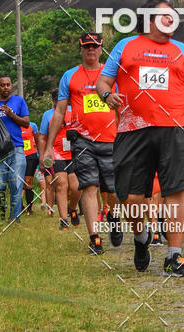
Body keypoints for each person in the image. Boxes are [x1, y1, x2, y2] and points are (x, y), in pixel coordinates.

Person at [96, 0, 184, 277]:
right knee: (132, 198)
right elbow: (103, 82)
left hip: (175, 129)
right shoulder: (125, 46)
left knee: (175, 192)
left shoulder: (182, 51)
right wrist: (108, 95)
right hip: (133, 130)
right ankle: (141, 236)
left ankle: (174, 256)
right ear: (150, 19)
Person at [42, 30, 122, 256]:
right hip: (82, 140)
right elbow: (59, 112)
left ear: (101, 48)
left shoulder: (112, 75)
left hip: (111, 139)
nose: (91, 50)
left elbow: (125, 105)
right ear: (81, 49)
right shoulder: (70, 76)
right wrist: (48, 145)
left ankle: (114, 216)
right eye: (86, 46)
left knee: (113, 188)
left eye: (95, 46)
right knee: (89, 186)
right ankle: (94, 238)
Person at [0, 75, 30, 221]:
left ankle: (14, 219)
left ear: (11, 86)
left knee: (16, 185)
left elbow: (26, 123)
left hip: (17, 148)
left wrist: (11, 114)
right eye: (2, 85)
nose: (5, 87)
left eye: (8, 85)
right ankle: (0, 216)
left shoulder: (19, 101)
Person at [38, 91, 78, 230]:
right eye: (56, 100)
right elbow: (42, 137)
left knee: (76, 187)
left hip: (73, 152)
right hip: (56, 154)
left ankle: (72, 208)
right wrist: (42, 157)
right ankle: (64, 220)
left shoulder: (73, 111)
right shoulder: (48, 115)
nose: (59, 102)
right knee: (61, 185)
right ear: (53, 101)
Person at [22, 120, 40, 216]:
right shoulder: (12, 125)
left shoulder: (32, 125)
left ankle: (29, 208)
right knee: (18, 182)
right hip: (18, 155)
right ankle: (19, 207)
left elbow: (38, 140)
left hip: (30, 156)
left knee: (28, 181)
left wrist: (40, 154)